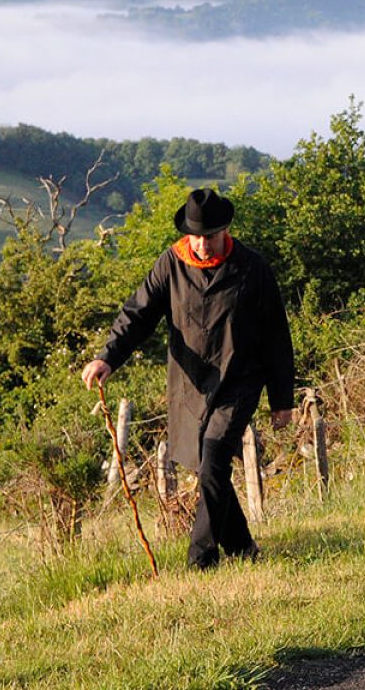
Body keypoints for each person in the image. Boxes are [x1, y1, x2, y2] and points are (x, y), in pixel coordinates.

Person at [81, 189, 295, 570]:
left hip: (238, 381)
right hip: (189, 385)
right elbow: (137, 315)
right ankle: (243, 547)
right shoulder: (171, 264)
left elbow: (277, 335)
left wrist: (282, 399)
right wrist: (107, 358)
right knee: (204, 466)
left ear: (225, 230)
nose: (201, 244)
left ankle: (200, 559)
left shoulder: (252, 268)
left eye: (209, 236)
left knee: (213, 458)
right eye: (195, 235)